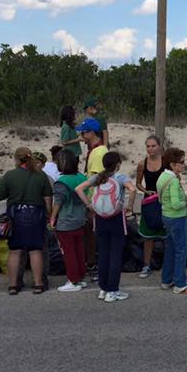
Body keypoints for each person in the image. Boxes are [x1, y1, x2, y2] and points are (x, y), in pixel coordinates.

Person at [77, 151, 136, 302]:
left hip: (100, 219)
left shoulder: (98, 178)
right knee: (115, 255)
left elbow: (79, 189)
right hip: (116, 219)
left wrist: (89, 205)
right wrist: (129, 206)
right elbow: (132, 189)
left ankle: (103, 289)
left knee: (103, 254)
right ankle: (113, 290)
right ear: (118, 165)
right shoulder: (120, 178)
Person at [0, 147, 53, 295]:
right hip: (36, 215)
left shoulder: (10, 175)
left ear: (16, 159)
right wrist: (49, 215)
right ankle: (38, 284)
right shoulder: (41, 175)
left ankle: (13, 285)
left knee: (15, 251)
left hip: (15, 215)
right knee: (35, 250)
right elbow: (47, 198)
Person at [157, 148, 187, 294]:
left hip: (166, 216)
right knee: (181, 250)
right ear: (173, 164)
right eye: (181, 162)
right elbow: (175, 204)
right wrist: (186, 203)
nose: (184, 165)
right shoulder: (173, 181)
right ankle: (180, 284)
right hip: (177, 218)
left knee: (170, 249)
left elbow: (161, 199)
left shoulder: (162, 177)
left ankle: (166, 280)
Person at [49, 149, 88, 292]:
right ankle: (81, 277)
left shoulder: (61, 182)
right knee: (79, 250)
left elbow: (58, 202)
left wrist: (52, 218)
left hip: (66, 222)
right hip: (80, 219)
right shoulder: (81, 177)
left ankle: (73, 280)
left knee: (68, 252)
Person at [78, 117, 108, 275]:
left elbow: (97, 179)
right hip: (95, 199)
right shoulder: (96, 150)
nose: (81, 136)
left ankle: (93, 264)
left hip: (95, 200)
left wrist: (90, 202)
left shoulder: (98, 152)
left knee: (92, 234)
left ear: (91, 133)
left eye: (83, 133)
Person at [135, 134, 165, 279]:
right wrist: (146, 191)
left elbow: (176, 179)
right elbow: (138, 183)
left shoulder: (166, 163)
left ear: (159, 146)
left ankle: (167, 264)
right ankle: (146, 265)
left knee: (166, 234)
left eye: (153, 146)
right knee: (148, 236)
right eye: (148, 146)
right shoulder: (142, 164)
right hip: (149, 202)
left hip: (164, 202)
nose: (150, 149)